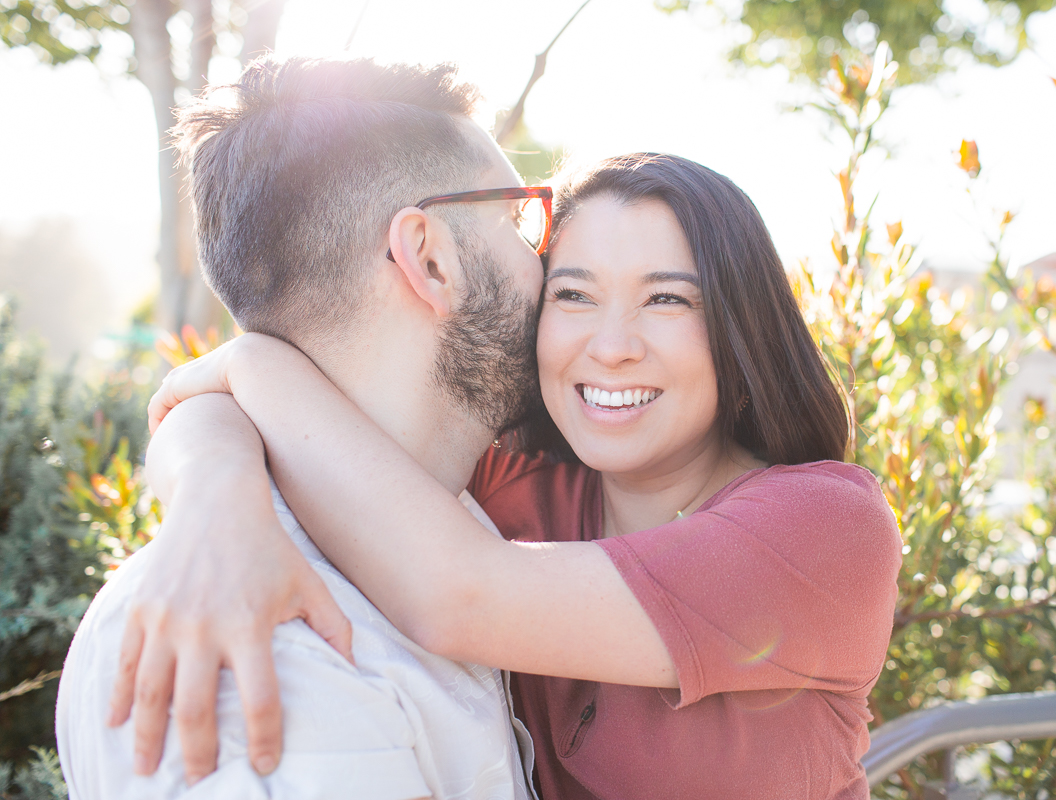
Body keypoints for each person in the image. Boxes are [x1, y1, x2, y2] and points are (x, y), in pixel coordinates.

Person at [112, 150, 903, 798]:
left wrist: (253, 361)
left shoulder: (827, 528)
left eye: (666, 300)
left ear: (739, 328)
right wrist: (213, 506)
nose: (613, 345)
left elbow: (461, 596)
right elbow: (204, 410)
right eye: (574, 295)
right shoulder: (510, 487)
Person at [55, 55, 548, 799]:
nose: (548, 262)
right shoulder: (258, 648)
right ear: (430, 260)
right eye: (518, 220)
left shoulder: (460, 511)